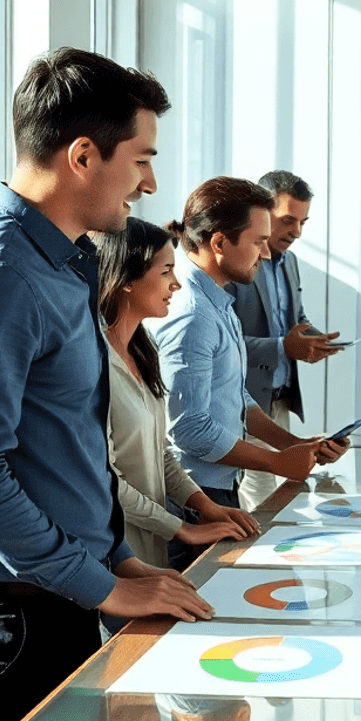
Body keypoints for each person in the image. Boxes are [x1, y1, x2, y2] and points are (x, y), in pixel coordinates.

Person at [0, 48, 214, 721]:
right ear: (83, 155)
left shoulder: (64, 263)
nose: (150, 183)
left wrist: (120, 565)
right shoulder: (0, 278)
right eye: (141, 158)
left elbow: (64, 451)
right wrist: (107, 584)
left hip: (54, 602)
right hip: (1, 628)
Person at [155, 177, 348, 518]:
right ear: (218, 242)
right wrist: (275, 461)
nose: (264, 252)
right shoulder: (192, 314)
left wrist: (295, 445)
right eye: (258, 241)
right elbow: (188, 428)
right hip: (195, 497)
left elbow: (236, 395)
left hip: (219, 486)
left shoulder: (218, 301)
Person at [96, 217, 261, 570]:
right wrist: (182, 529)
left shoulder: (144, 351)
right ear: (126, 278)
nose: (175, 284)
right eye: (165, 272)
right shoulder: (95, 366)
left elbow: (161, 453)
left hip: (151, 548)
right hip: (115, 557)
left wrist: (204, 506)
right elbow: (105, 479)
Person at [227, 170, 341, 512]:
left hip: (279, 402)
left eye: (303, 222)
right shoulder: (238, 262)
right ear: (262, 212)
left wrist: (314, 339)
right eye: (288, 221)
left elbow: (295, 320)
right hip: (243, 407)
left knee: (285, 496)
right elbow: (224, 342)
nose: (297, 232)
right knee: (262, 505)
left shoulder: (289, 262)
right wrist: (282, 348)